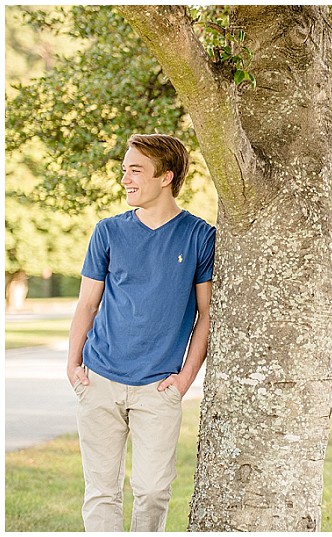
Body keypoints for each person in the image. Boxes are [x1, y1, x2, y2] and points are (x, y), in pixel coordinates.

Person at [67, 134, 216, 532]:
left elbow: (206, 313)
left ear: (166, 177)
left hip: (159, 388)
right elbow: (87, 305)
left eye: (135, 171)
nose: (125, 180)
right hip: (99, 378)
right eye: (124, 171)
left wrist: (185, 379)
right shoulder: (108, 232)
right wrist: (73, 366)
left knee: (151, 490)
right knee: (100, 492)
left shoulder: (199, 236)